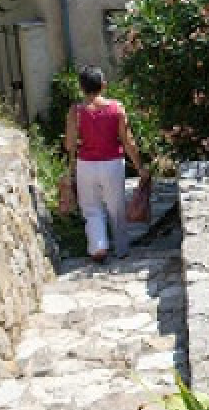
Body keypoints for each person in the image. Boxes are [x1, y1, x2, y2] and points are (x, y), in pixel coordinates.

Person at [63, 65, 147, 263]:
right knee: (116, 208)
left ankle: (99, 246)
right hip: (112, 164)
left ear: (81, 87)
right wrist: (140, 167)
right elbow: (128, 141)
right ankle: (121, 249)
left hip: (86, 165)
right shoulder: (116, 108)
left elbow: (69, 144)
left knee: (91, 209)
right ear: (104, 85)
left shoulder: (76, 111)